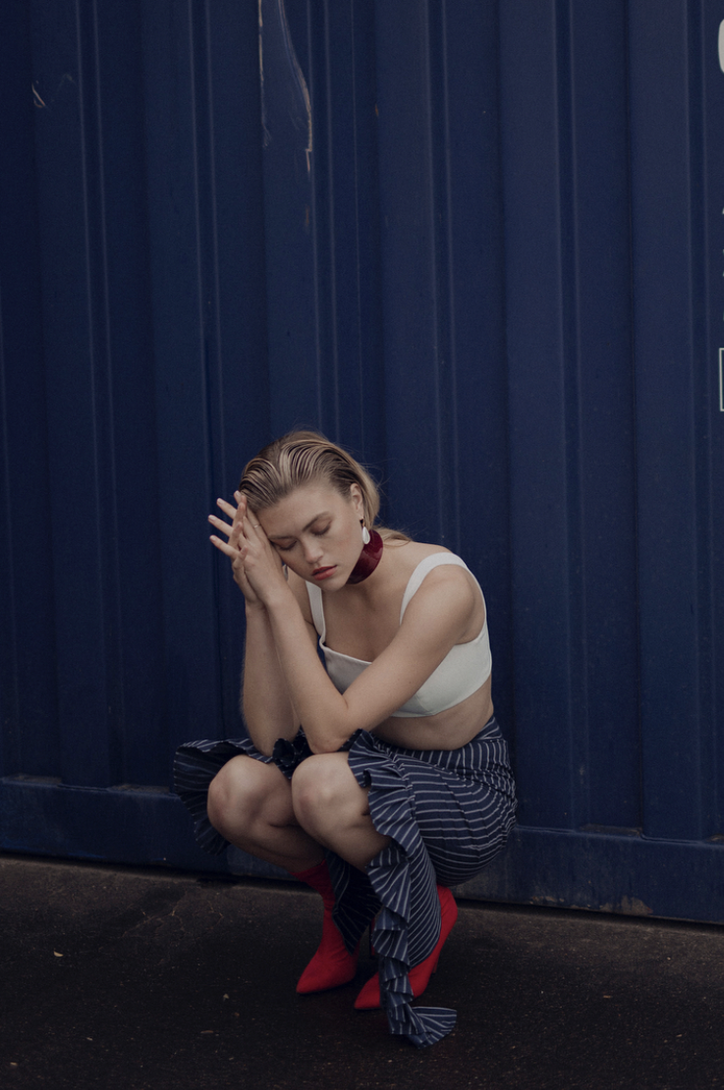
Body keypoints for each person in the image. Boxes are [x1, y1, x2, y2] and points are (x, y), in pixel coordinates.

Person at [174, 431, 516, 1047]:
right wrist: (259, 606)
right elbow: (273, 736)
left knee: (318, 781)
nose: (310, 556)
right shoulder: (305, 588)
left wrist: (282, 601)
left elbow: (330, 734)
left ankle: (422, 915)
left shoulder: (440, 587)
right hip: (360, 774)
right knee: (234, 793)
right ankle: (352, 905)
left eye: (321, 528)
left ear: (356, 501)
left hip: (463, 792)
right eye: (284, 545)